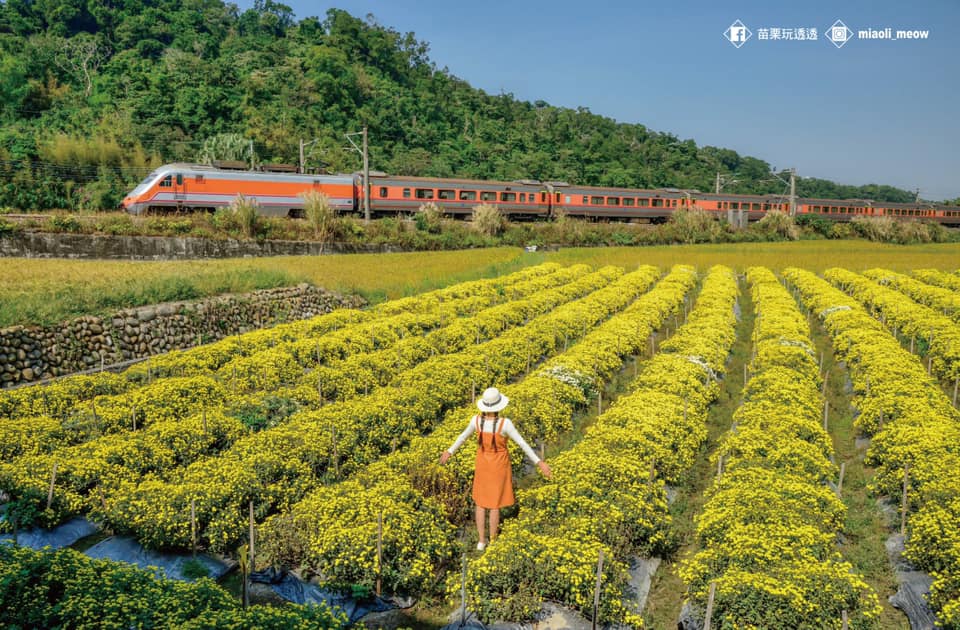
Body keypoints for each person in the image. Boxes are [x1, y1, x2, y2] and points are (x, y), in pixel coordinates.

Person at [440, 387, 551, 550]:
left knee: (480, 502)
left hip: (482, 463)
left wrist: (449, 451)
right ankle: (492, 540)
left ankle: (481, 541)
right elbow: (522, 444)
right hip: (499, 465)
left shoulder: (476, 421)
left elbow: (462, 437)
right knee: (494, 504)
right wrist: (539, 462)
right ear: (499, 406)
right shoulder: (505, 424)